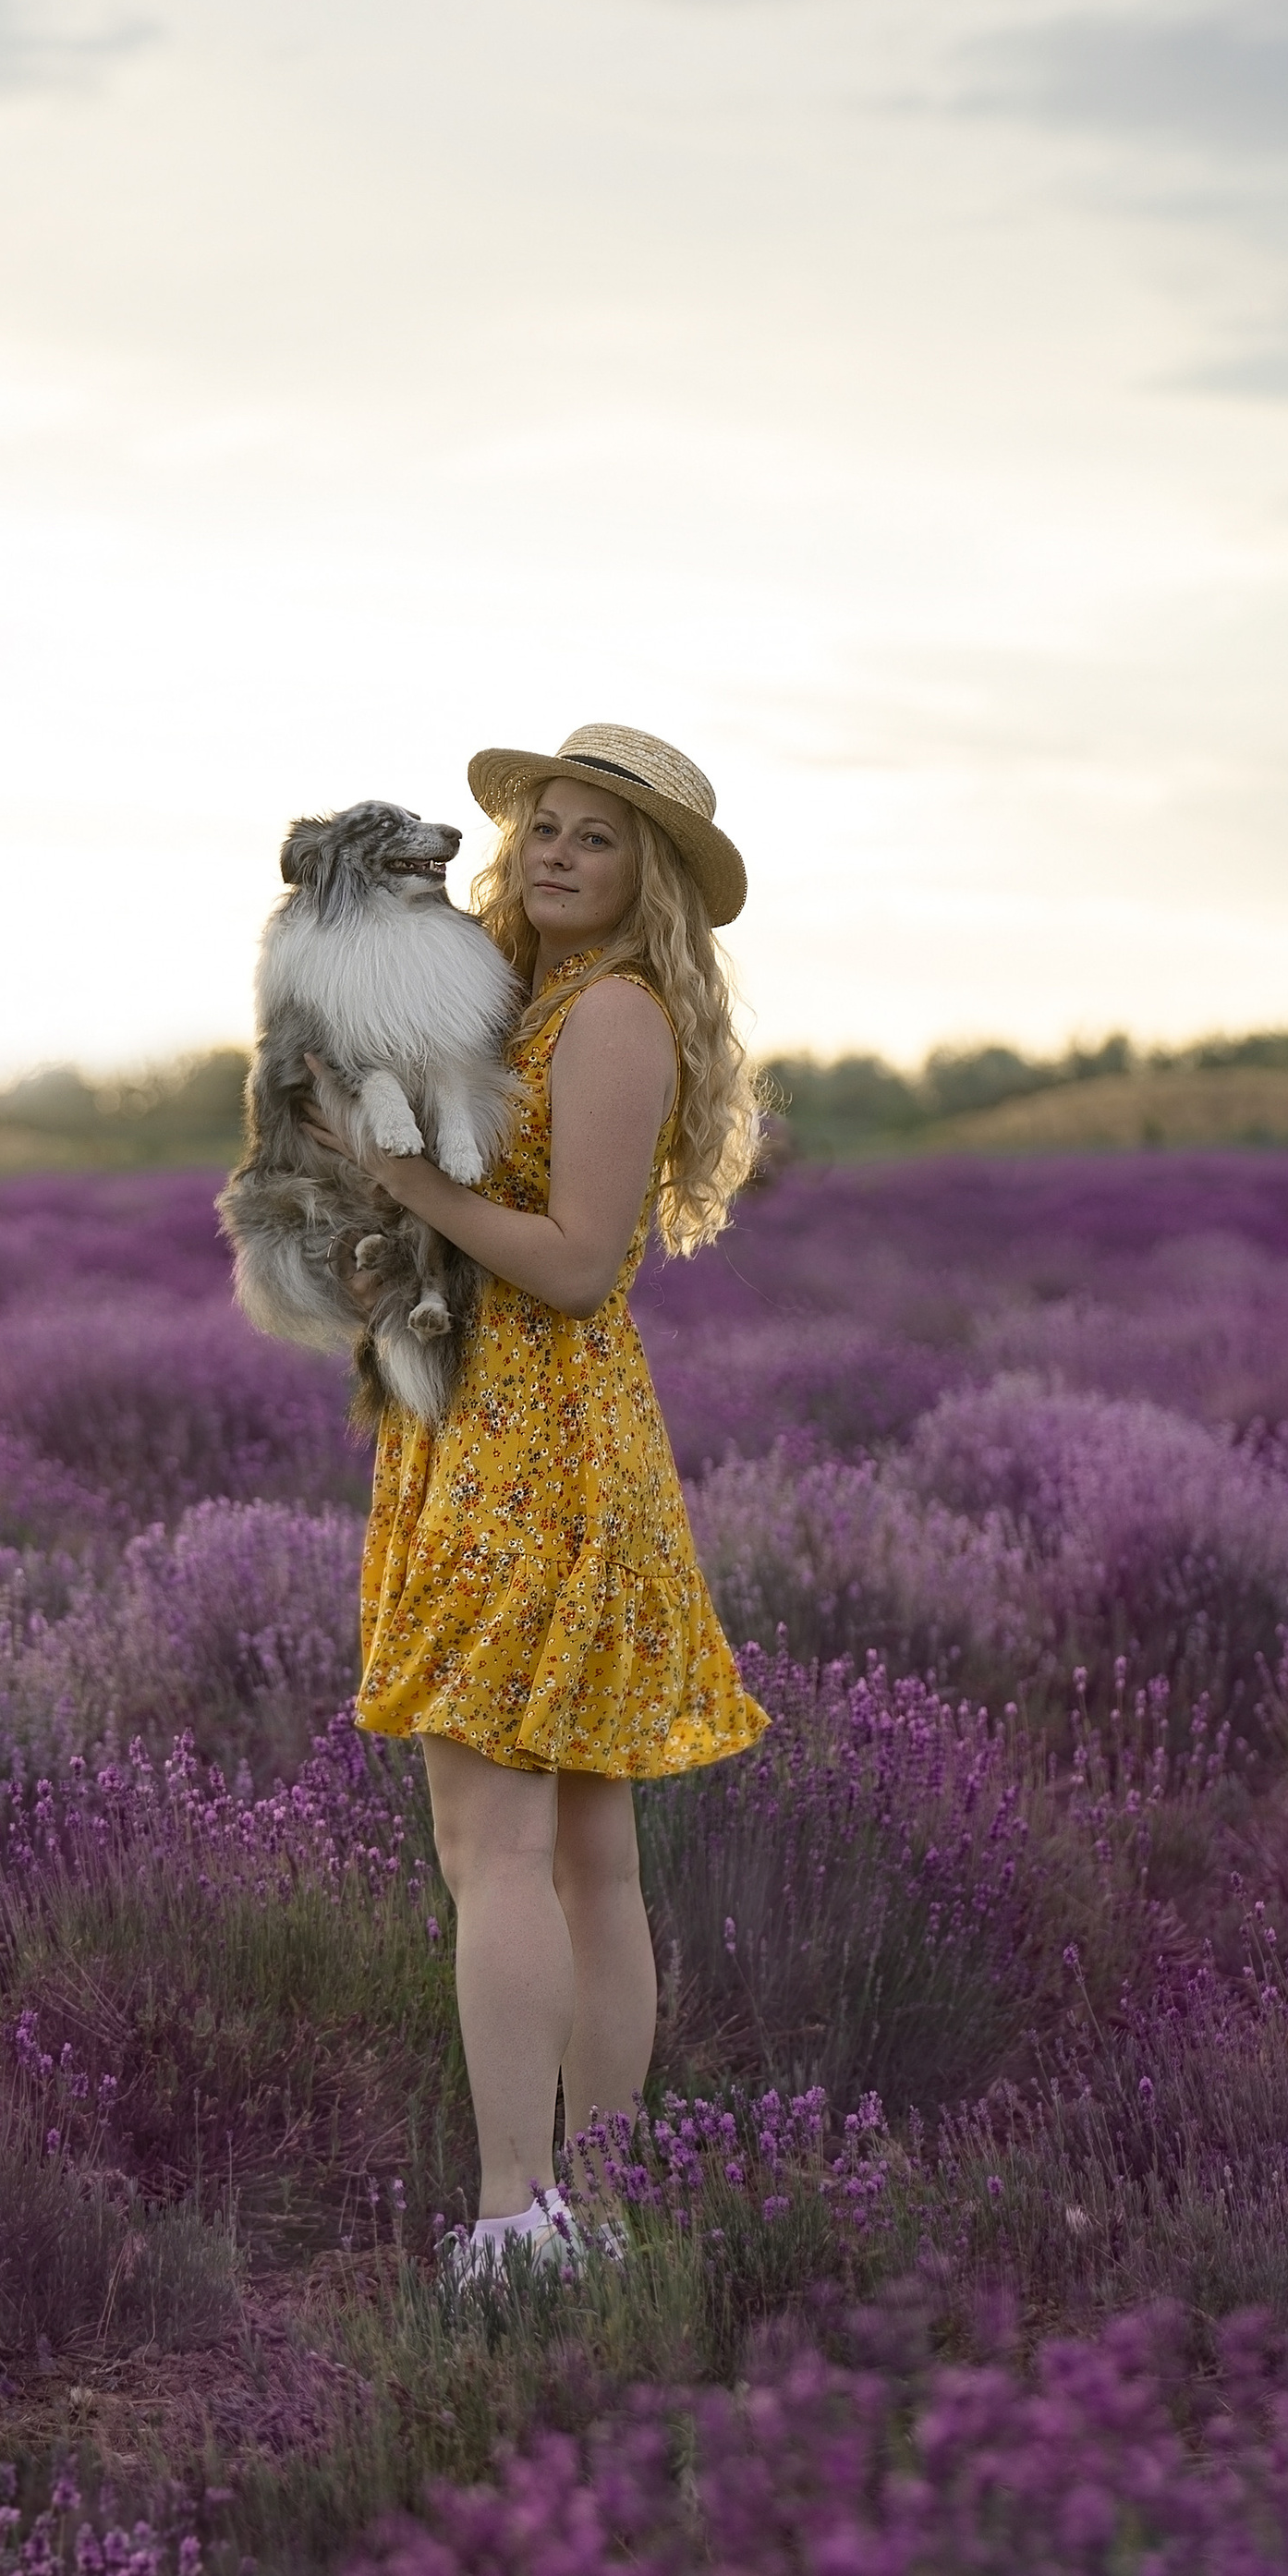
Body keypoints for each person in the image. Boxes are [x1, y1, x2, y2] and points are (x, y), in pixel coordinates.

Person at [322, 720, 771, 2271]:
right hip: (498, 1430)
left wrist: (412, 1191)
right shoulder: (527, 1004)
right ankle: (599, 2205)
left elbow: (579, 1266)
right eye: (547, 827)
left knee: (506, 1851)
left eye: (598, 834)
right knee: (576, 1855)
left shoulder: (614, 1016)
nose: (560, 851)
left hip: (539, 1446)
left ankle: (521, 2217)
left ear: (649, 874)